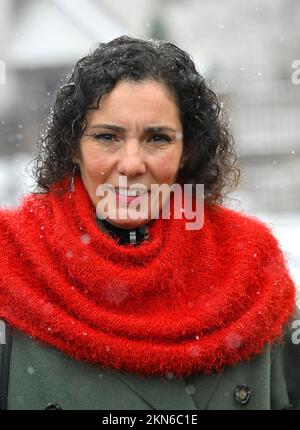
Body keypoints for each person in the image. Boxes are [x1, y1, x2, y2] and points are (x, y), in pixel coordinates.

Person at [0, 35, 299, 411]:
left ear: (188, 149)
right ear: (73, 146)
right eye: (107, 137)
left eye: (157, 138)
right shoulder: (11, 259)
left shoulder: (252, 267)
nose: (130, 164)